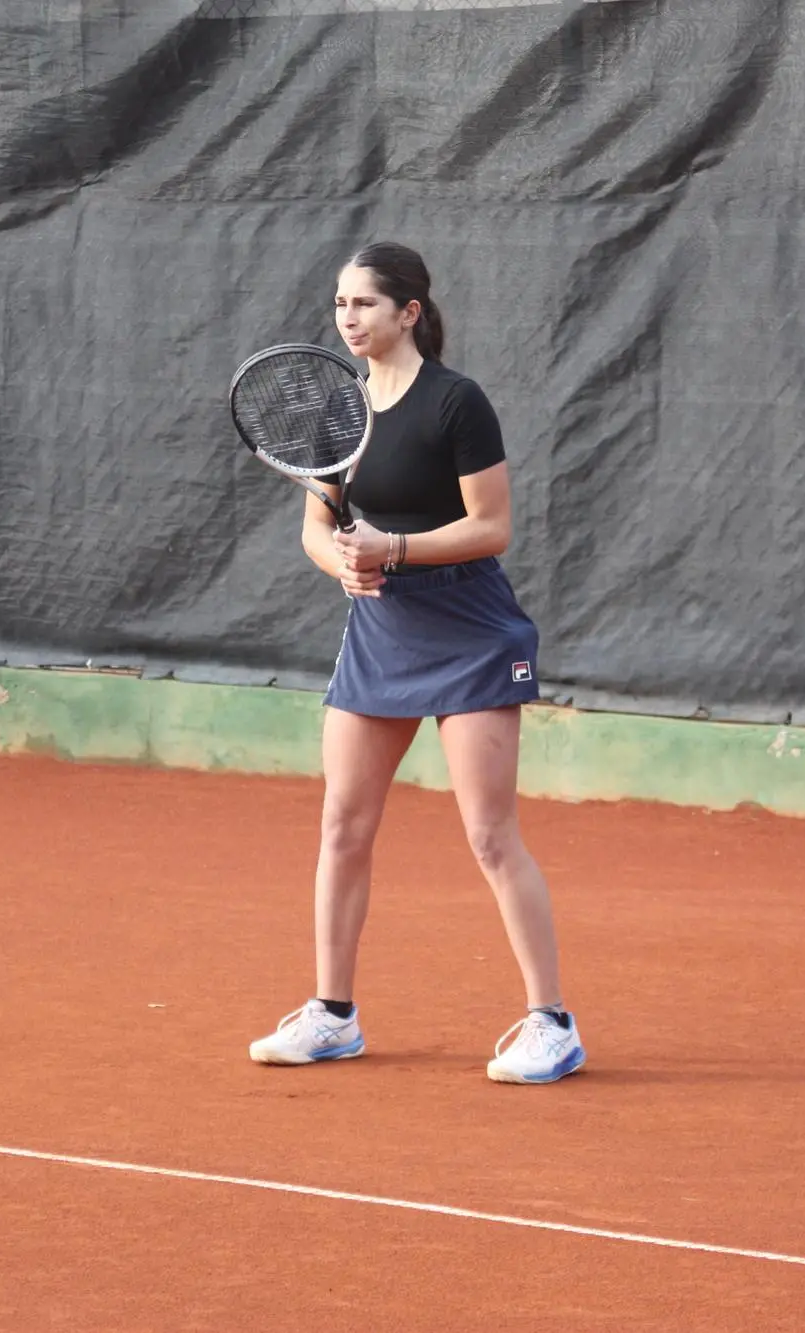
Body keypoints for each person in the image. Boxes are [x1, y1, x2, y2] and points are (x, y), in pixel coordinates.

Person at [247, 242, 585, 1085]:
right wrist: (348, 565)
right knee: (342, 825)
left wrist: (392, 546)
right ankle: (332, 1014)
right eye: (337, 304)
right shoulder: (339, 411)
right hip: (381, 635)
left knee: (488, 833)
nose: (346, 319)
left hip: (470, 631)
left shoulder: (456, 403)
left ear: (408, 312)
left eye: (363, 304)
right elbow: (317, 529)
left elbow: (490, 525)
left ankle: (551, 1022)